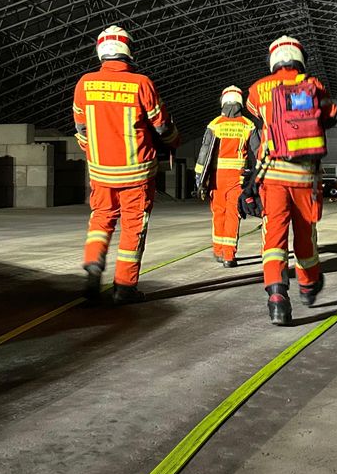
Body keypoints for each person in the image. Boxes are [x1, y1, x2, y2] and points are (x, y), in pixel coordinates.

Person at [73, 25, 179, 304]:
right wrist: (173, 141)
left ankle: (93, 266)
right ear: (128, 50)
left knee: (101, 220)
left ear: (100, 51)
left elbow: (81, 128)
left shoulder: (85, 83)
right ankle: (124, 288)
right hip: (137, 173)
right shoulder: (141, 83)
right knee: (133, 228)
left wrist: (94, 154)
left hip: (101, 173)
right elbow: (162, 125)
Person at [245, 36, 337, 325]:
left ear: (273, 59)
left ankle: (277, 298)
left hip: (272, 175)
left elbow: (256, 114)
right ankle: (308, 287)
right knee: (305, 233)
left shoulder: (258, 89)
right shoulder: (314, 85)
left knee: (274, 238)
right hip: (305, 176)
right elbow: (332, 116)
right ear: (300, 58)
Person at [194, 86, 259, 267]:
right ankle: (229, 256)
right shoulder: (248, 124)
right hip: (237, 179)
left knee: (218, 213)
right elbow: (258, 152)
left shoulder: (215, 124)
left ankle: (218, 250)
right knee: (233, 214)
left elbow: (204, 153)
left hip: (217, 178)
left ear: (223, 102)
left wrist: (199, 178)